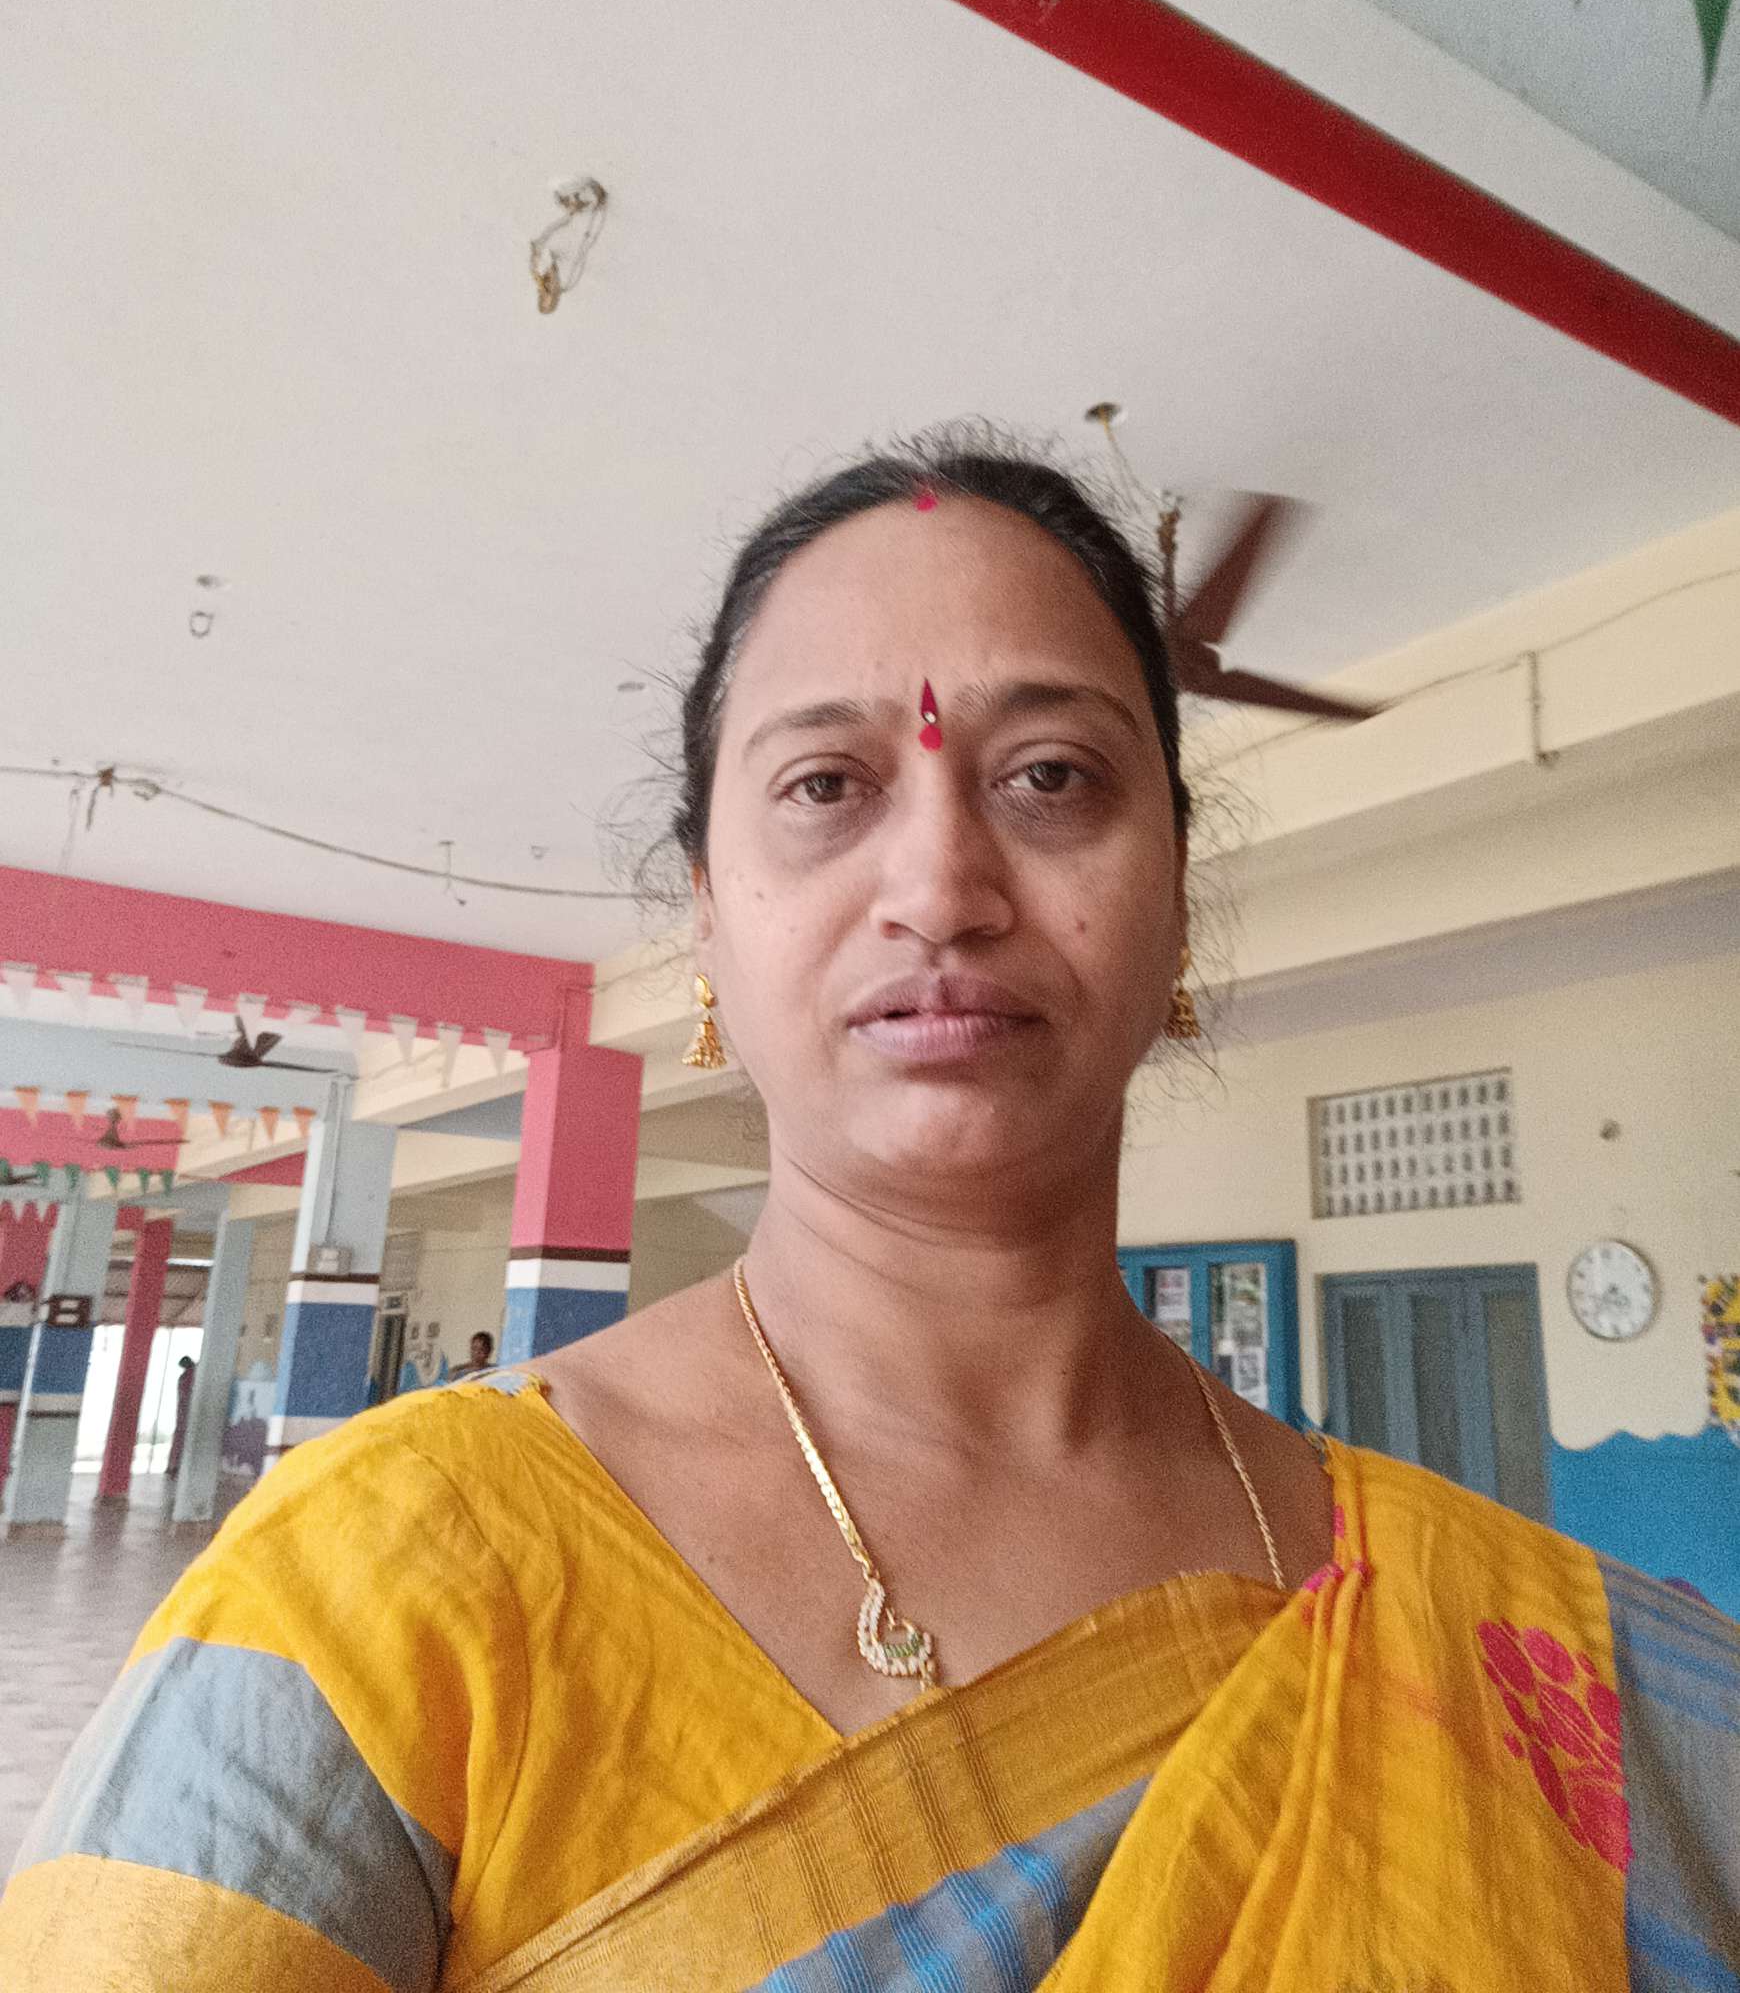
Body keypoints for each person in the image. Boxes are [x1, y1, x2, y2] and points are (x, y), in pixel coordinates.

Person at [2, 433, 1734, 1989]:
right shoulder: (389, 1575)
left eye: (1052, 776)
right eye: (827, 786)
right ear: (707, 918)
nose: (942, 887)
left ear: (1175, 894)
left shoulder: (1519, 1651)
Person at [163, 1353, 196, 1478]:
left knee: (179, 1439)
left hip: (184, 1412)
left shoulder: (185, 1377)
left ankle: (174, 1467)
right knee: (182, 1440)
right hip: (187, 1412)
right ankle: (175, 1467)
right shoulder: (193, 1375)